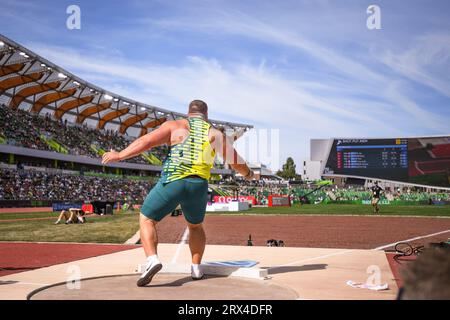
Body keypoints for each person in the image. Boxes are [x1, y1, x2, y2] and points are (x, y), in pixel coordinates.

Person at [102, 100, 254, 287]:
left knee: (147, 218)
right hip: (198, 185)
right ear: (206, 115)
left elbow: (146, 142)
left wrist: (119, 155)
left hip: (174, 180)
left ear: (188, 113)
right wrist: (248, 174)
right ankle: (196, 268)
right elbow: (236, 162)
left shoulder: (175, 126)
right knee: (196, 226)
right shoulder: (215, 134)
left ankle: (152, 260)